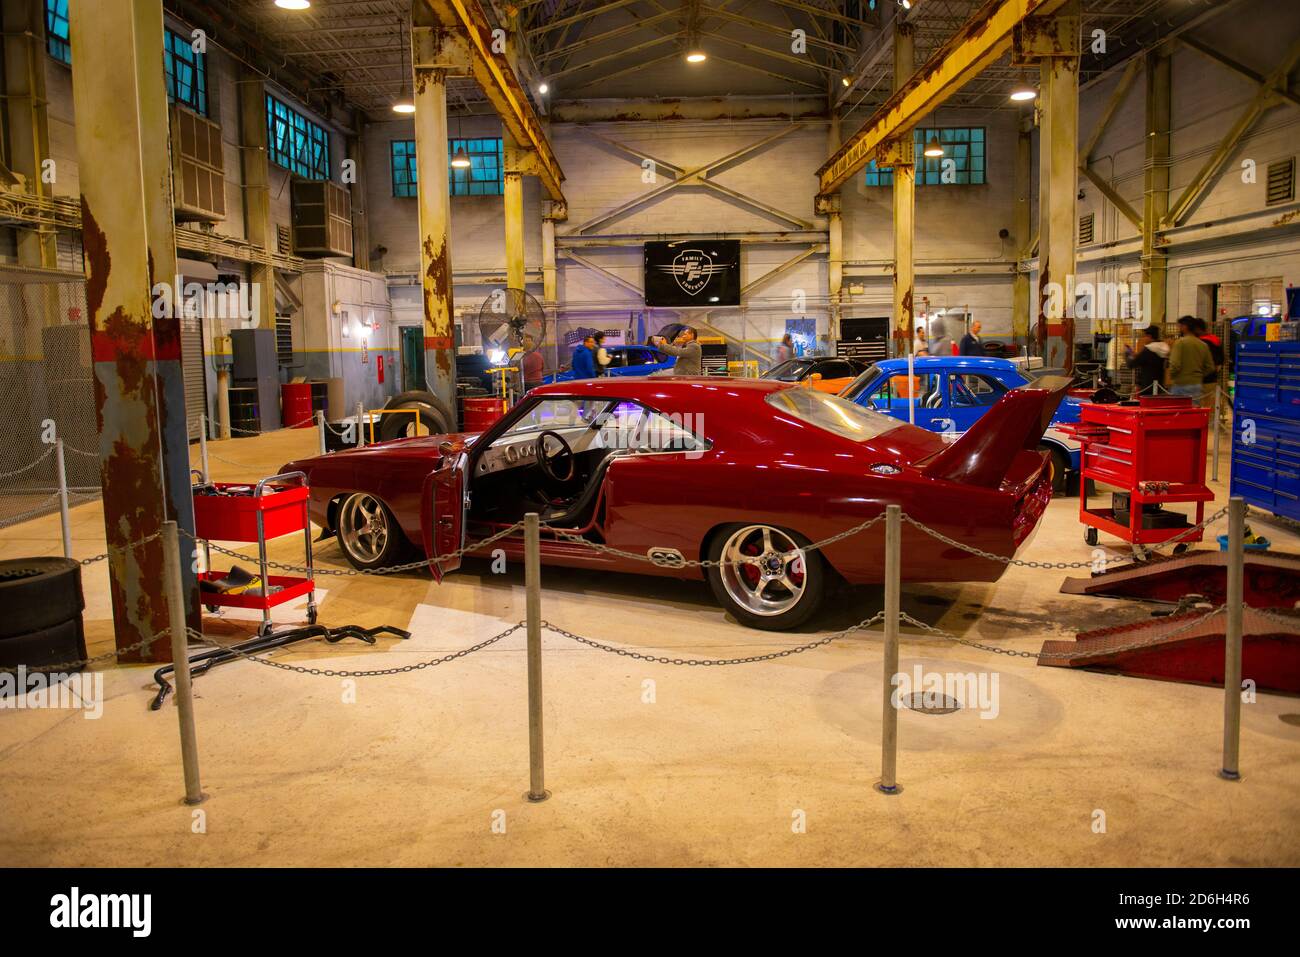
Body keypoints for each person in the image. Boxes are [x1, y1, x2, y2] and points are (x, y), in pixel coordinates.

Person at [1168, 315, 1215, 403]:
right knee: (1193, 413)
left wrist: (1173, 376)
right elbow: (1210, 367)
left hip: (1180, 384)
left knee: (1178, 413)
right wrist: (1199, 375)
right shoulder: (1203, 345)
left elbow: (1175, 364)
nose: (1179, 329)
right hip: (1197, 385)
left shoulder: (1180, 343)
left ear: (1185, 327)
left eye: (1180, 326)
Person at [1124, 325, 1168, 395]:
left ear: (1149, 336)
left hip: (1147, 386)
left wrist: (1127, 354)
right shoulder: (1163, 348)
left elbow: (1131, 364)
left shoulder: (1148, 350)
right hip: (1159, 385)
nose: (1143, 339)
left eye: (1144, 336)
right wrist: (1137, 355)